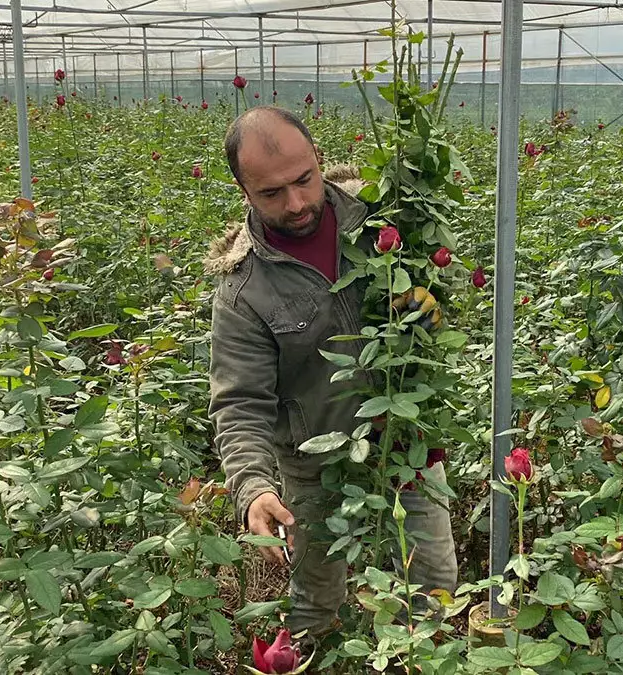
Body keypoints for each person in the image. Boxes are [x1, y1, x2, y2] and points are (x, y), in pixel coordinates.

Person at [204, 107, 458, 637]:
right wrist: (252, 486)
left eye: (304, 180)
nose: (296, 204)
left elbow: (439, 282)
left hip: (405, 441)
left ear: (319, 159)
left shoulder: (384, 218)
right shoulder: (243, 289)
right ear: (242, 190)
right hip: (318, 463)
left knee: (434, 584)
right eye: (272, 193)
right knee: (319, 599)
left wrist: (433, 299)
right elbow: (240, 402)